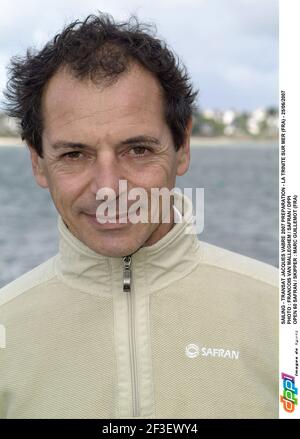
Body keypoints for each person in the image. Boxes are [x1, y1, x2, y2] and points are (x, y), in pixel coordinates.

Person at [0, 12, 278, 419]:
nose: (109, 187)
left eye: (138, 150)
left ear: (182, 146)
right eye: (75, 154)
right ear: (38, 162)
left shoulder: (282, 315)